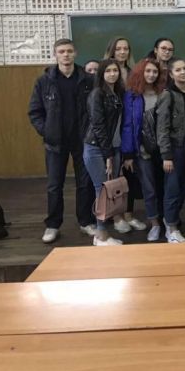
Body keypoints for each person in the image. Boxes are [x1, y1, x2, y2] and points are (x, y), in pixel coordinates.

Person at [28, 38, 95, 243]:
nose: (66, 55)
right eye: (61, 51)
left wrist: (91, 134)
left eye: (69, 51)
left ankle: (86, 221)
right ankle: (53, 225)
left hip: (82, 140)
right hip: (55, 142)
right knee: (54, 185)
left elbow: (95, 110)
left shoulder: (88, 79)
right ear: (55, 54)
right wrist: (47, 131)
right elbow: (35, 112)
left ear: (75, 53)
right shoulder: (44, 81)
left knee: (85, 183)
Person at [156, 57, 185, 243]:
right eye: (178, 70)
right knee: (174, 187)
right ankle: (171, 227)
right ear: (171, 74)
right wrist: (166, 155)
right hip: (176, 147)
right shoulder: (167, 95)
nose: (183, 72)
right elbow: (162, 127)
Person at [121, 58, 166, 242]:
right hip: (142, 151)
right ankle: (154, 223)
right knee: (149, 188)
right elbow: (127, 125)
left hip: (163, 150)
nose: (151, 75)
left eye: (154, 71)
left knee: (164, 187)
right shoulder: (132, 95)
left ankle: (167, 219)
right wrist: (128, 154)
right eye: (148, 71)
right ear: (140, 72)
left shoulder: (163, 93)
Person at [82, 59, 125, 246]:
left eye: (115, 70)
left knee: (110, 190)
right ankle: (100, 236)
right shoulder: (97, 94)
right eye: (108, 71)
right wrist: (108, 154)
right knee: (102, 191)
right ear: (101, 74)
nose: (112, 74)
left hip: (114, 147)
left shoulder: (117, 93)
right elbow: (98, 126)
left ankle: (103, 232)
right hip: (96, 148)